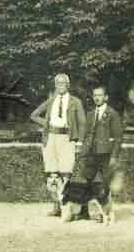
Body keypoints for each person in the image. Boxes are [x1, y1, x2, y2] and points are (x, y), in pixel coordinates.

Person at [63, 86, 124, 224]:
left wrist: (114, 157)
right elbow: (86, 136)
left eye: (100, 95)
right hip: (89, 154)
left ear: (106, 97)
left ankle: (108, 214)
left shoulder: (112, 114)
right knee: (83, 182)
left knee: (103, 186)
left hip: (105, 155)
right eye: (95, 95)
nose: (97, 98)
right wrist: (82, 153)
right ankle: (82, 212)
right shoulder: (90, 114)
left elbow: (118, 137)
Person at [29, 73, 86, 216]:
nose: (61, 85)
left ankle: (66, 208)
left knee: (66, 173)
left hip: (67, 138)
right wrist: (47, 125)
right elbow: (34, 115)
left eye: (64, 83)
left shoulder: (75, 101)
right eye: (58, 83)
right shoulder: (51, 100)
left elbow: (83, 122)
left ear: (68, 85)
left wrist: (79, 141)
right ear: (55, 85)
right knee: (52, 174)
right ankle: (56, 207)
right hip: (50, 138)